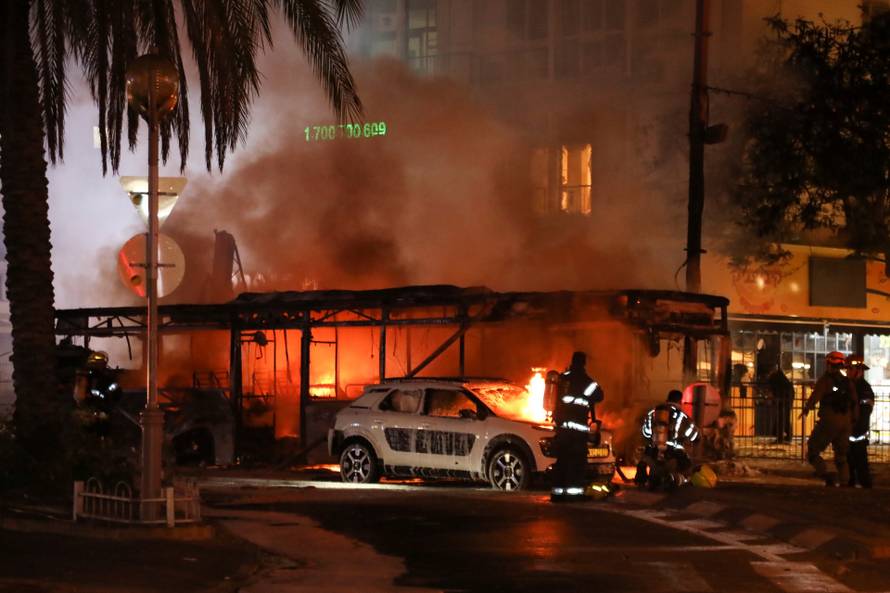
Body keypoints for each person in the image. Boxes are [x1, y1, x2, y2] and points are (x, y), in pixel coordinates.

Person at [550, 351, 604, 502]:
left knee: (562, 461)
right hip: (577, 432)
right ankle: (574, 494)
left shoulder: (561, 379)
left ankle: (557, 493)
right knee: (577, 463)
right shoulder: (588, 382)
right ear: (584, 363)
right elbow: (600, 396)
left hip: (562, 429)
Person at [802, 351, 859, 487]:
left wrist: (807, 408)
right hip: (846, 423)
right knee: (841, 456)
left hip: (829, 422)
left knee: (812, 450)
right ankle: (844, 482)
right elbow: (855, 402)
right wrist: (853, 420)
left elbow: (815, 396)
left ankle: (826, 475)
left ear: (829, 363)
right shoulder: (848, 382)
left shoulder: (825, 380)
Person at [636, 390, 700, 488]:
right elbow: (695, 435)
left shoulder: (653, 413)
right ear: (680, 401)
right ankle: (675, 479)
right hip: (674, 455)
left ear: (667, 399)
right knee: (688, 468)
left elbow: (645, 433)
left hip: (652, 453)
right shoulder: (682, 416)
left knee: (645, 459)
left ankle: (644, 479)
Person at [846, 354, 874, 488]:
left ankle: (865, 484)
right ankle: (851, 482)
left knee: (860, 460)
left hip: (858, 432)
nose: (847, 372)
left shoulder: (864, 389)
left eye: (849, 369)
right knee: (848, 460)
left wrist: (856, 426)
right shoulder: (848, 386)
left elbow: (865, 411)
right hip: (848, 430)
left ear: (858, 371)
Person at [767, 364, 794, 443]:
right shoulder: (780, 376)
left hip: (783, 398)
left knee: (781, 417)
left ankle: (780, 438)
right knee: (785, 417)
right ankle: (788, 436)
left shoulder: (774, 378)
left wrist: (772, 398)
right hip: (787, 398)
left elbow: (773, 390)